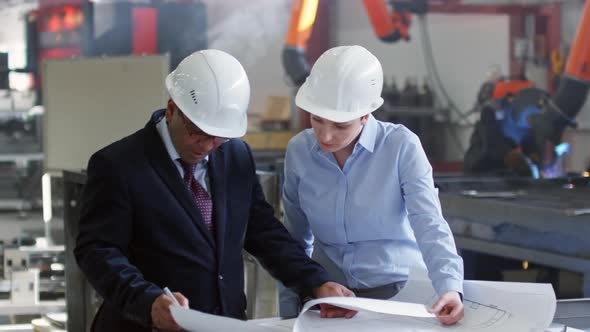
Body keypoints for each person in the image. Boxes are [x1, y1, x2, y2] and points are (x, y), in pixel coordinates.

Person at [74, 49, 356, 332]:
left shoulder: (235, 156)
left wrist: (315, 282)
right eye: (198, 132)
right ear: (172, 110)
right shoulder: (119, 165)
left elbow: (263, 231)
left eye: (218, 136)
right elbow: (97, 251)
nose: (208, 145)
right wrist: (147, 303)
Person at [280, 45, 465, 325]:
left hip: (398, 297)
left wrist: (450, 287)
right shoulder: (299, 151)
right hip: (329, 299)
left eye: (341, 125)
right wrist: (290, 311)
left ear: (366, 115)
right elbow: (294, 238)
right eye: (317, 120)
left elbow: (429, 223)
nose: (326, 136)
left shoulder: (401, 147)